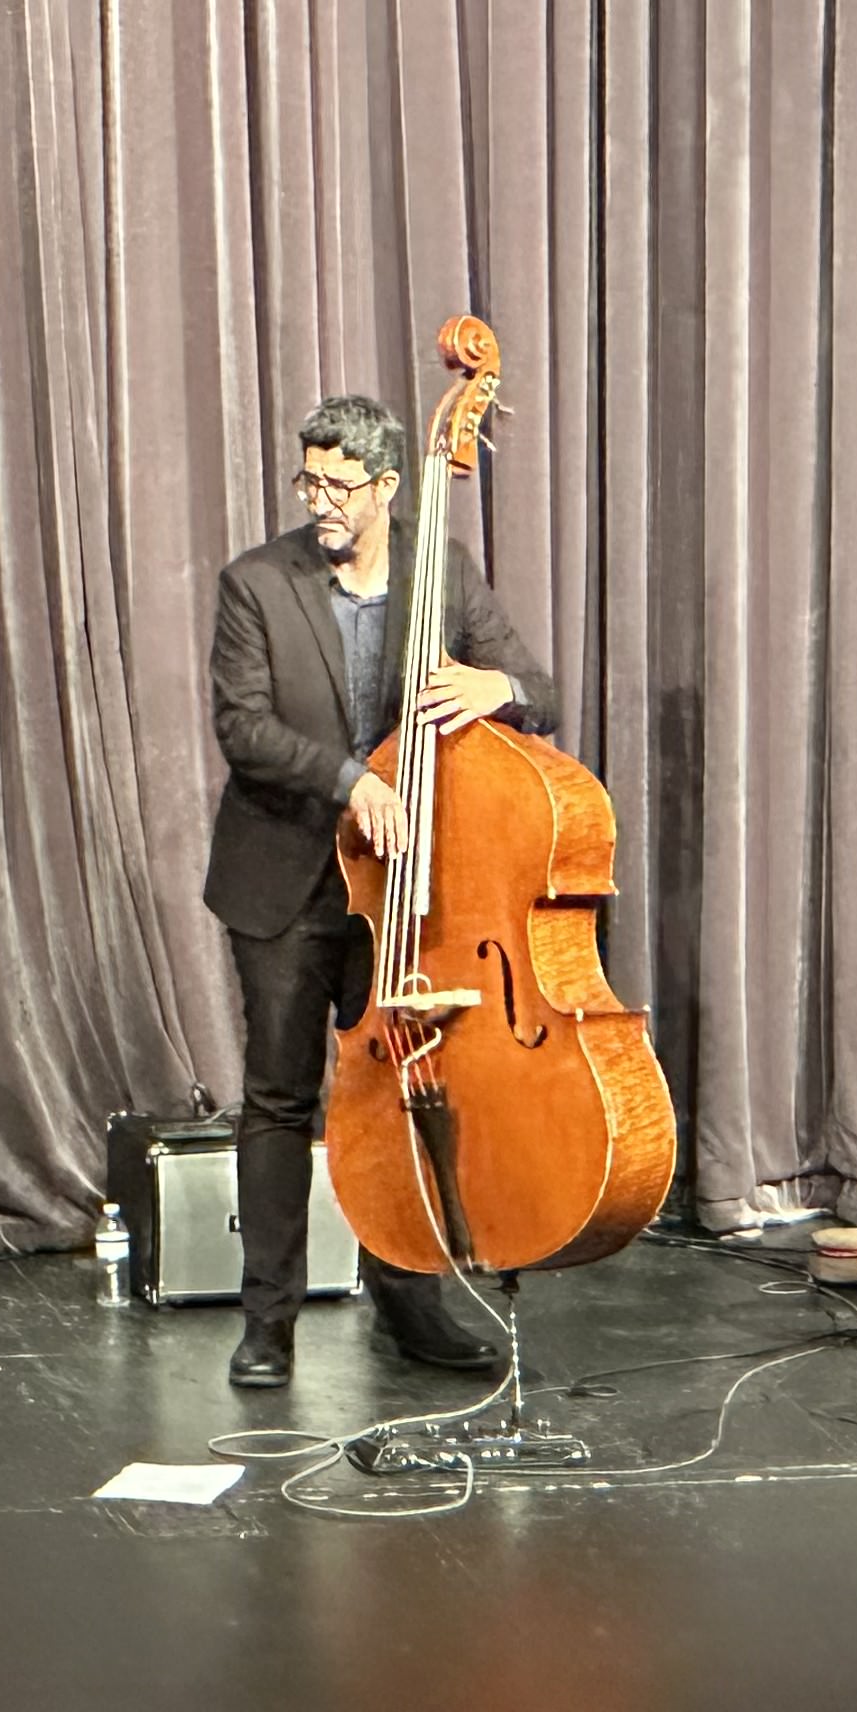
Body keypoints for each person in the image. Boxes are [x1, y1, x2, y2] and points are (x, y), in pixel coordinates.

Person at [203, 390, 552, 1393]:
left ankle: (410, 1304)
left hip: (403, 891)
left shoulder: (442, 573)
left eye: (339, 485)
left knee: (401, 1090)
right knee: (279, 1099)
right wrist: (353, 780)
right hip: (286, 881)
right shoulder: (256, 583)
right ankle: (267, 1322)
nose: (319, 500)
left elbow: (542, 692)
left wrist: (500, 689)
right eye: (308, 479)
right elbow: (244, 729)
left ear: (389, 486)